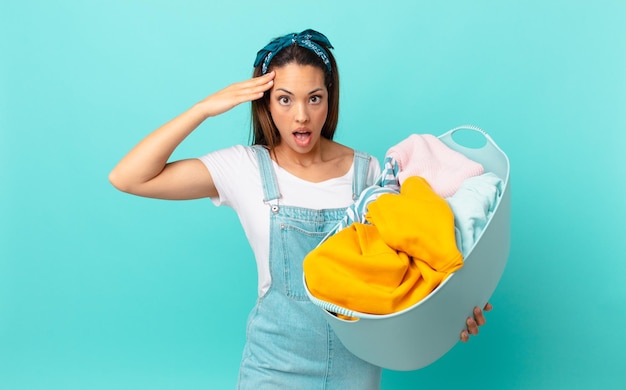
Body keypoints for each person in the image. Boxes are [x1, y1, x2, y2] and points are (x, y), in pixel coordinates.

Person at [109, 29, 492, 389]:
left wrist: (453, 312)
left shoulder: (372, 174)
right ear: (266, 102)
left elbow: (411, 275)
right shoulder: (244, 168)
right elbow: (129, 178)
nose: (301, 116)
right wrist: (204, 109)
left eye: (314, 98)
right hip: (272, 370)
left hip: (356, 371)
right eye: (285, 99)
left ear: (330, 97)